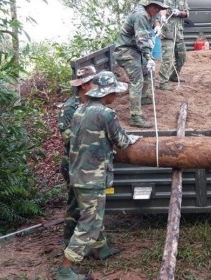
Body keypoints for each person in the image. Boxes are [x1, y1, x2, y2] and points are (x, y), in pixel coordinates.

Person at [57, 71, 142, 280]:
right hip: (92, 178)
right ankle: (65, 269)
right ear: (107, 93)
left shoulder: (80, 110)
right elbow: (121, 142)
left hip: (78, 174)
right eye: (114, 92)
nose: (116, 97)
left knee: (92, 215)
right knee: (90, 222)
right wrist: (134, 138)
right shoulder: (106, 114)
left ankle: (101, 248)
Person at [114, 0, 168, 128]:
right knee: (137, 79)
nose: (157, 10)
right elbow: (142, 41)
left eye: (159, 8)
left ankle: (143, 97)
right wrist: (149, 57)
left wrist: (157, 25)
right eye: (156, 7)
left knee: (147, 72)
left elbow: (155, 18)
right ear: (149, 4)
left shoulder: (149, 10)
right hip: (126, 50)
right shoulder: (140, 15)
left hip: (135, 49)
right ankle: (135, 116)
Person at [58, 66, 97, 247]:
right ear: (83, 85)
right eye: (92, 82)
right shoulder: (70, 107)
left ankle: (93, 244)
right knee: (75, 203)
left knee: (89, 204)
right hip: (73, 162)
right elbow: (66, 136)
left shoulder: (92, 102)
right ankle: (69, 243)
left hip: (87, 162)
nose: (95, 85)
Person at [158, 0, 190, 91]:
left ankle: (173, 76)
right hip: (168, 33)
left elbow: (187, 13)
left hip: (179, 33)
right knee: (167, 58)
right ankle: (163, 82)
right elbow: (161, 9)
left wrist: (180, 13)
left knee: (182, 56)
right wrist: (162, 16)